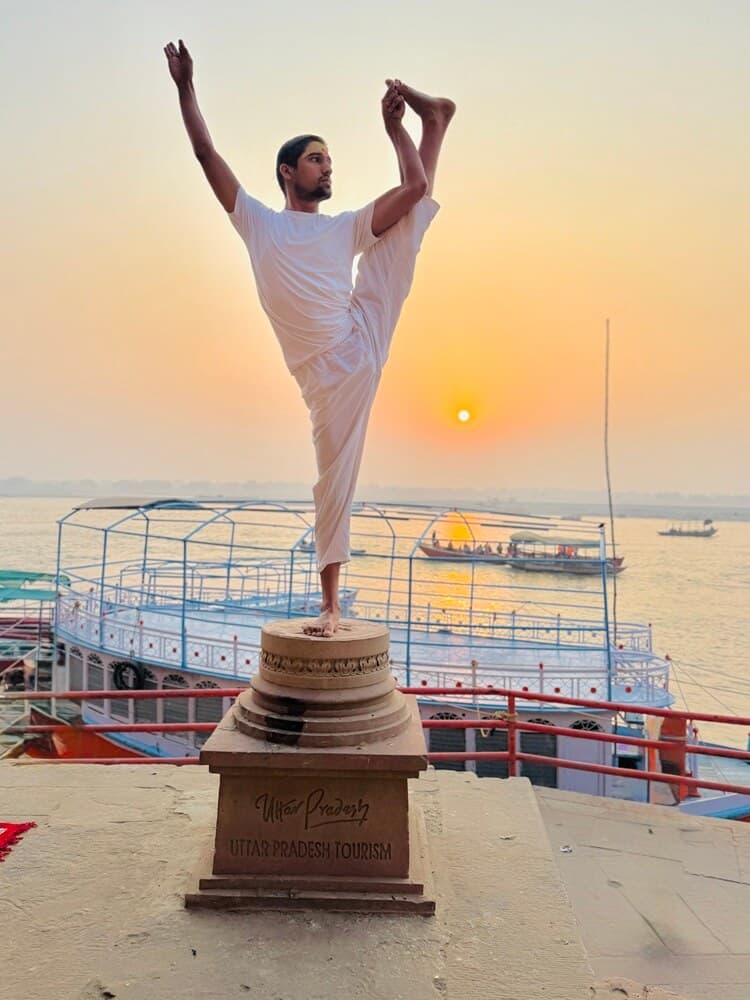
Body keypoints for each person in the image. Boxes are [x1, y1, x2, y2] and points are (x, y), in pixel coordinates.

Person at [164, 40, 455, 636]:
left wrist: (393, 129)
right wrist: (185, 86)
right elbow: (203, 152)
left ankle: (432, 122)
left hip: (360, 333)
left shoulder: (346, 227)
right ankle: (439, 121)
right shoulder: (258, 223)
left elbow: (415, 186)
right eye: (316, 159)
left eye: (329, 159)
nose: (327, 167)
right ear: (287, 172)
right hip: (326, 376)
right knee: (332, 480)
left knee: (404, 228)